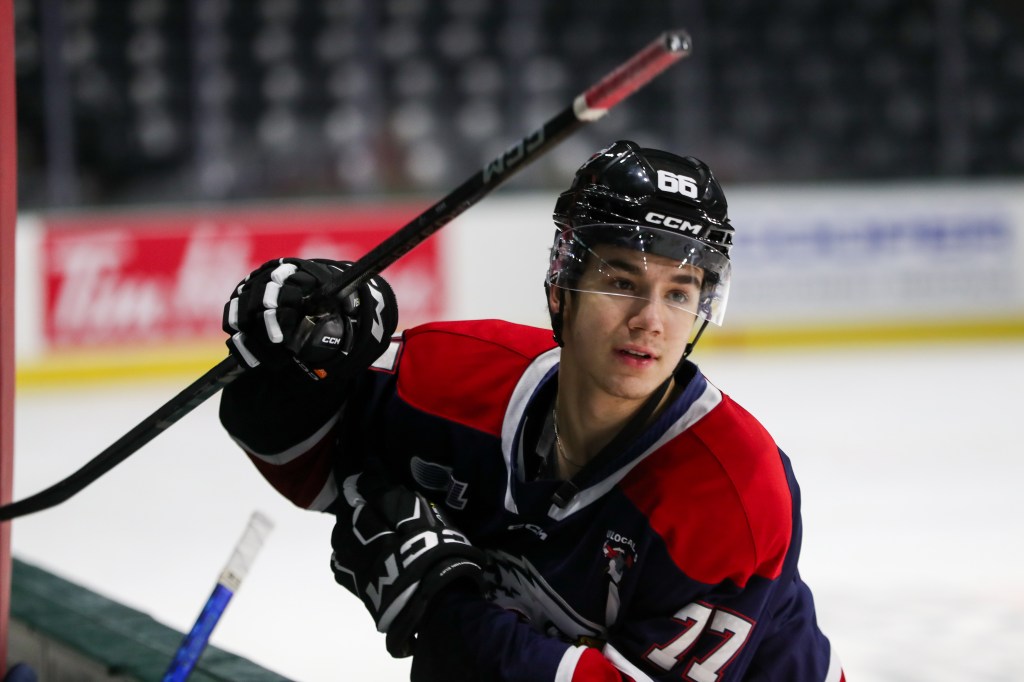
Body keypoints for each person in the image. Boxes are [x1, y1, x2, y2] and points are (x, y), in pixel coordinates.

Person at [219, 140, 845, 681]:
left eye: (679, 292)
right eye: (621, 282)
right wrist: (297, 352)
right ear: (560, 285)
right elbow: (300, 451)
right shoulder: (458, 378)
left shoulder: (730, 495)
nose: (651, 321)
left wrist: (442, 609)